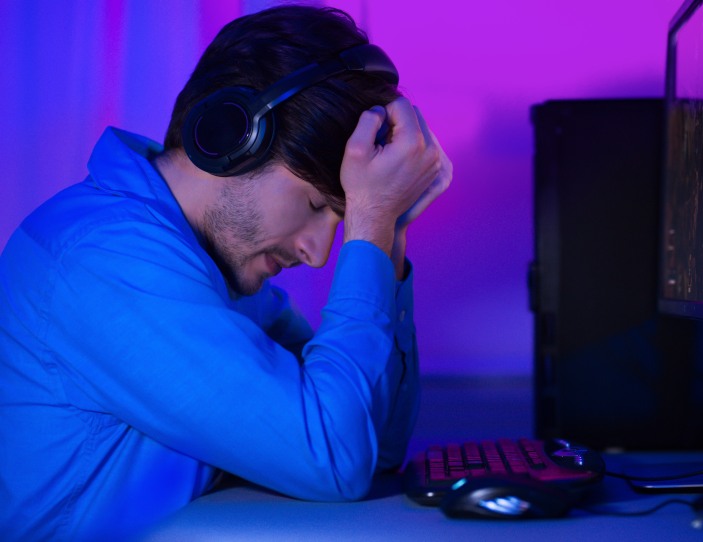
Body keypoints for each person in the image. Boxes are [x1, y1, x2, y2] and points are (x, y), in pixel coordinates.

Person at [0, 5, 451, 541]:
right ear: (229, 138)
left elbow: (374, 444)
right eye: (313, 205)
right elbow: (333, 454)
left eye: (343, 219)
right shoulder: (103, 260)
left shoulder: (210, 263)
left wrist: (388, 234)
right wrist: (370, 219)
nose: (318, 254)